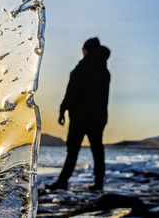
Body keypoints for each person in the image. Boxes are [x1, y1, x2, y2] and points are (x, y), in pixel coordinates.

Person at [47, 37, 111, 191]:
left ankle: (63, 181)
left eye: (83, 50)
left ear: (86, 50)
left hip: (80, 117)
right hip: (99, 117)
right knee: (97, 149)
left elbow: (72, 92)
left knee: (73, 150)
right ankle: (99, 183)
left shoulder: (82, 68)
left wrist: (62, 110)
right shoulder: (104, 71)